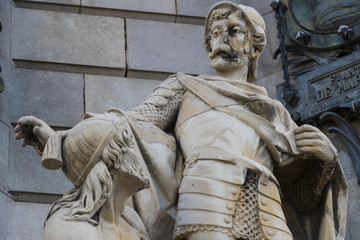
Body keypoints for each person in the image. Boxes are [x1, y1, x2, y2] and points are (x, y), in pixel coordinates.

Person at [14, 2, 347, 240]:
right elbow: (127, 125)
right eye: (215, 33)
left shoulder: (277, 112)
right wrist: (57, 140)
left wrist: (325, 162)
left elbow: (303, 200)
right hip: (206, 203)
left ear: (255, 45)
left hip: (269, 213)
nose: (220, 40)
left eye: (233, 32)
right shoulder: (184, 88)